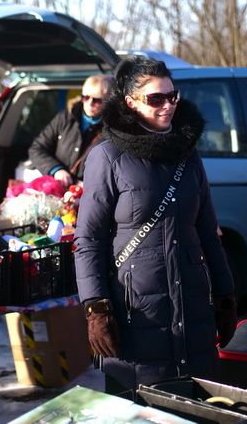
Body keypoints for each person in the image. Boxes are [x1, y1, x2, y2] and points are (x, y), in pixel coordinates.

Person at [73, 56, 237, 397]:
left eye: (172, 96)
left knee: (199, 409)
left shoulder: (188, 155)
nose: (168, 105)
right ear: (131, 103)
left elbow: (208, 232)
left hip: (193, 311)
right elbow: (87, 238)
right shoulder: (107, 157)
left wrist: (224, 294)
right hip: (136, 315)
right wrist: (96, 308)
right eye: (156, 99)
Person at [28, 74, 114, 188]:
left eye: (97, 100)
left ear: (109, 101)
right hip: (58, 190)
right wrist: (56, 170)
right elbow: (37, 149)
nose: (89, 103)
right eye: (86, 97)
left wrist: (90, 186)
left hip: (89, 195)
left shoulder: (114, 129)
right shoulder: (65, 117)